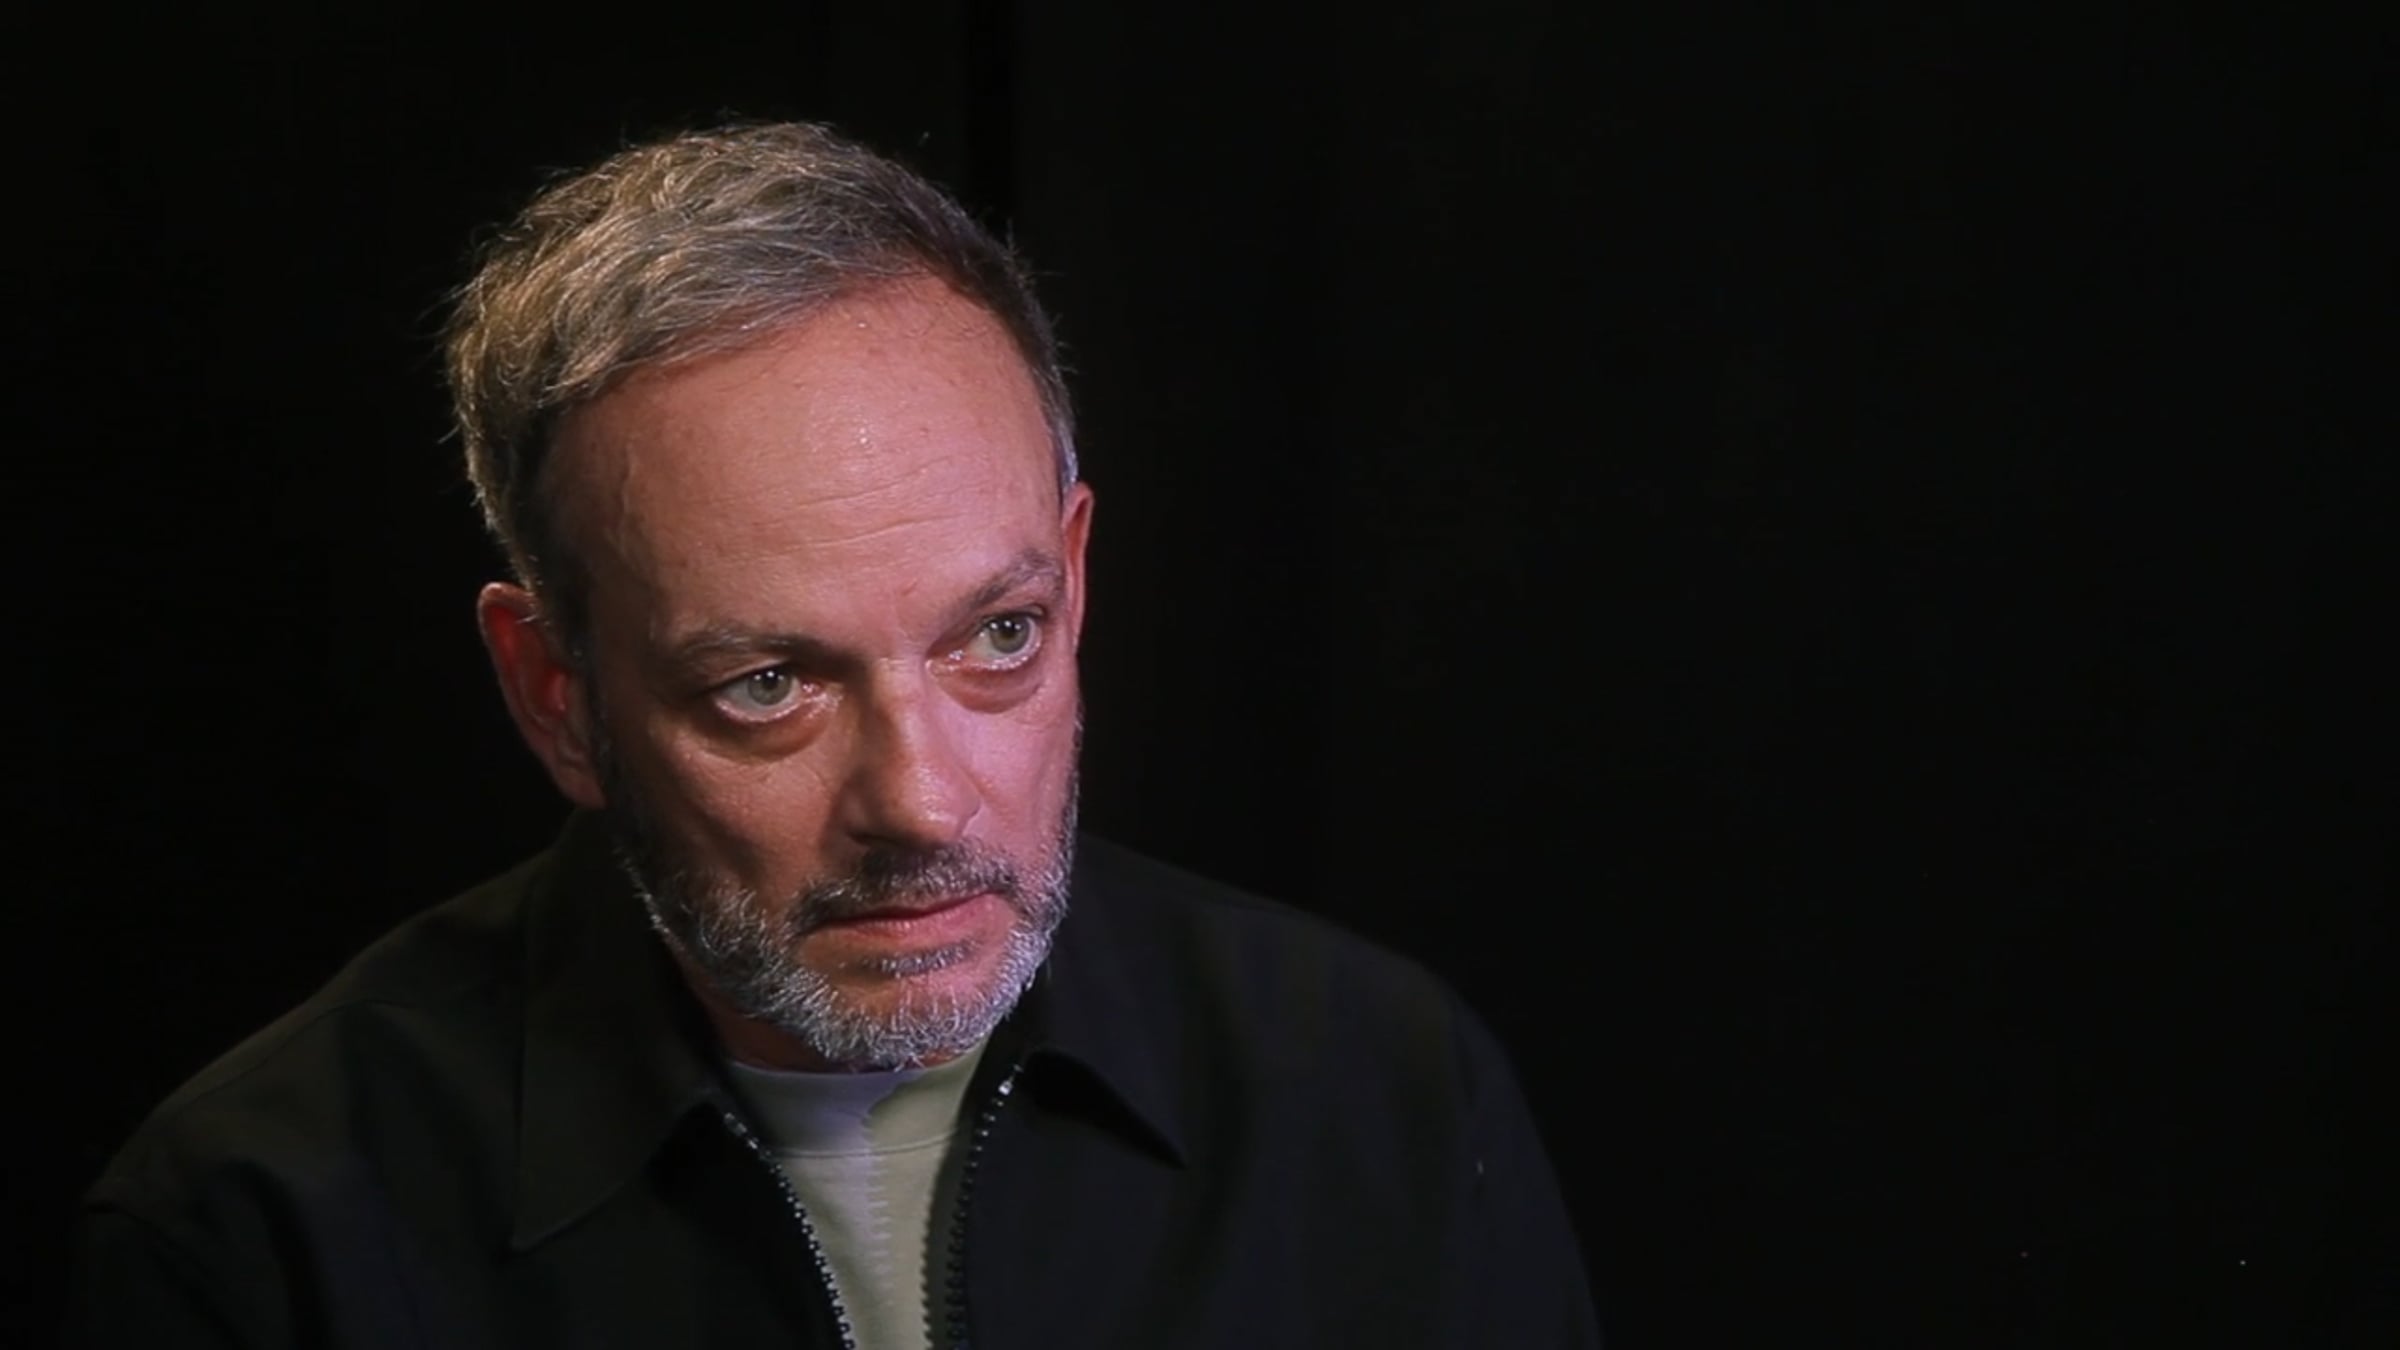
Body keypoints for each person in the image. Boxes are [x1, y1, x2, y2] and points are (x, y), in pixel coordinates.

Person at [68, 122, 1601, 1348]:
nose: (924, 803)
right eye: (768, 685)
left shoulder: (1383, 1094)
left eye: (996, 636)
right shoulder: (257, 1229)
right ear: (555, 693)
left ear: (1073, 580)